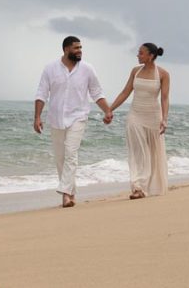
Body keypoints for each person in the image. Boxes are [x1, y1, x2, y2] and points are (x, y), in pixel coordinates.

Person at [34, 36, 113, 208]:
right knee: (60, 158)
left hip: (78, 117)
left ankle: (65, 193)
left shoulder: (87, 69)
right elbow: (41, 94)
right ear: (66, 49)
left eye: (80, 47)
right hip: (56, 118)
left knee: (71, 152)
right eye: (76, 48)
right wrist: (37, 117)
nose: (80, 51)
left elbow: (96, 93)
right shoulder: (50, 68)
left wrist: (107, 111)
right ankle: (71, 192)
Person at [109, 43, 170, 199]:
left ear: (150, 56)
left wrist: (164, 119)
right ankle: (138, 187)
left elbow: (164, 98)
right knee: (138, 151)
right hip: (135, 115)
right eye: (138, 53)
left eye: (141, 53)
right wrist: (110, 109)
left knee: (151, 153)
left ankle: (147, 185)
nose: (138, 55)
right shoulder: (135, 71)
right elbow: (125, 92)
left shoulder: (163, 74)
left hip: (153, 117)